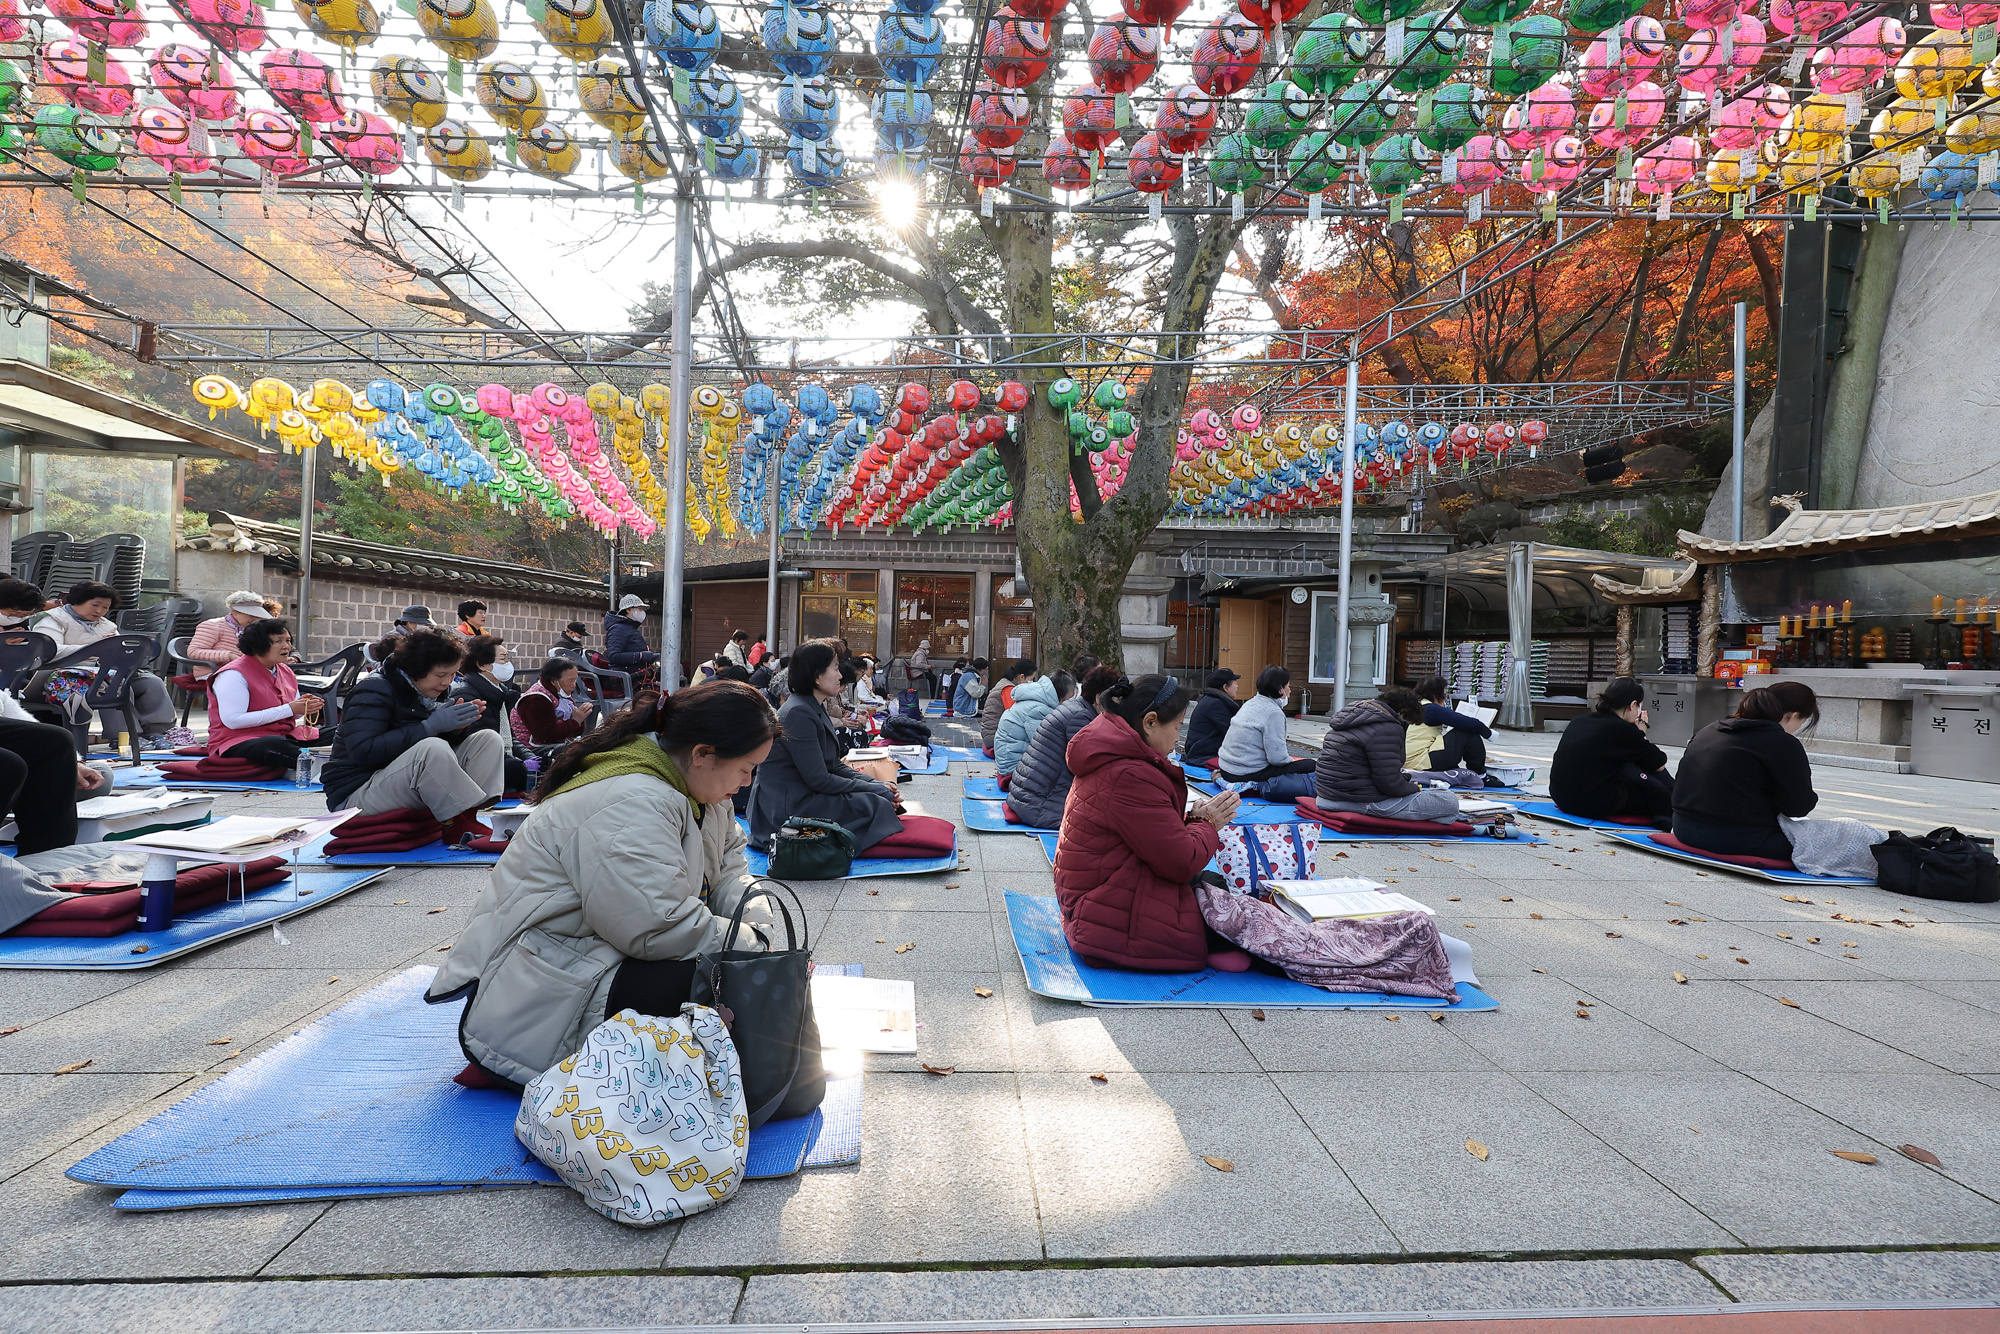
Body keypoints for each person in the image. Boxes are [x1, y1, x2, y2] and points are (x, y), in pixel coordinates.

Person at [426, 681, 781, 1089]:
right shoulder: (630, 800)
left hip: (596, 955)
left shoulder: (701, 790)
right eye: (746, 768)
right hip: (544, 989)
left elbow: (733, 871)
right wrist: (750, 948)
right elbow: (656, 927)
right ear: (702, 754)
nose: (748, 781)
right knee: (733, 991)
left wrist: (756, 935)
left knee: (751, 983)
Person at [1053, 674, 1243, 972]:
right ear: (1150, 722)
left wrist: (1193, 820)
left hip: (1092, 896)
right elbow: (1181, 861)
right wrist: (1207, 823)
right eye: (1177, 726)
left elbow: (1148, 833)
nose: (1178, 737)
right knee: (1231, 919)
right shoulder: (1131, 774)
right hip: (1102, 916)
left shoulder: (1112, 752)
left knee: (1214, 888)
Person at [320, 630, 505, 845]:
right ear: (418, 668)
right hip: (357, 793)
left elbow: (427, 746)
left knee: (486, 740)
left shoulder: (428, 692)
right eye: (440, 675)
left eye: (453, 674)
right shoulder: (373, 689)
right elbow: (364, 751)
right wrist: (429, 726)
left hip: (398, 781)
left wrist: (456, 728)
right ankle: (456, 823)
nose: (447, 682)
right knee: (431, 748)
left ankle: (466, 817)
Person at [746, 642, 903, 852]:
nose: (840, 676)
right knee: (875, 804)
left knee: (877, 800)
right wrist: (876, 790)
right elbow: (820, 779)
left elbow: (834, 766)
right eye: (836, 668)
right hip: (787, 807)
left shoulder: (812, 706)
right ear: (817, 676)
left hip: (805, 793)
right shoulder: (797, 713)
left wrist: (878, 784)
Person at [1671, 681, 1821, 860]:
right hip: (1740, 840)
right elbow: (1797, 807)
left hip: (1682, 829)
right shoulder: (1782, 743)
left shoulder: (1708, 730)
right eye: (1801, 722)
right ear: (1793, 716)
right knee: (1848, 835)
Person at [28, 580, 178, 748]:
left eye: (105, 607)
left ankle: (156, 731)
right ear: (78, 600)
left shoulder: (107, 625)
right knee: (114, 683)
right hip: (64, 676)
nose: (100, 611)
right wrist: (95, 648)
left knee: (151, 682)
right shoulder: (53, 620)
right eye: (95, 605)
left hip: (106, 671)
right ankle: (124, 736)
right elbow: (50, 651)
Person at [1311, 687, 1460, 822]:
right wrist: (1414, 788)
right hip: (1357, 801)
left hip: (1327, 796)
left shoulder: (1354, 718)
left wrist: (1404, 780)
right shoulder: (1387, 727)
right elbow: (1389, 784)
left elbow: (1372, 769)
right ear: (1402, 713)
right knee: (1449, 801)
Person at [1006, 665, 1120, 828]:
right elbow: (1087, 766)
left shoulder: (1075, 708)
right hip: (1038, 805)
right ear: (1099, 697)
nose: (1115, 706)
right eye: (1114, 699)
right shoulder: (1081, 717)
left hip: (1024, 795)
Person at [1549, 678, 1674, 826]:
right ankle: (1676, 801)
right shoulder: (1623, 730)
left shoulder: (1579, 721)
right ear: (1633, 705)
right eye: (1639, 706)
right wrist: (1641, 733)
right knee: (1645, 776)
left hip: (1562, 797)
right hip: (1592, 803)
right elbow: (1657, 762)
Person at [203, 618, 321, 773]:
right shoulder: (233, 674)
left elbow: (292, 715)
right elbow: (233, 720)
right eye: (278, 641)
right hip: (238, 739)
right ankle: (321, 770)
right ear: (258, 645)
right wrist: (290, 708)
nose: (286, 646)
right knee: (274, 745)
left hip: (282, 733)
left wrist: (304, 707)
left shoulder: (284, 670)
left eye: (288, 640)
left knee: (341, 732)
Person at [1218, 666, 1317, 795]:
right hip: (1243, 773)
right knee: (1311, 765)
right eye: (1288, 686)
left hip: (1226, 768)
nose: (1290, 690)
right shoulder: (1273, 713)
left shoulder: (1250, 703)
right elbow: (1277, 759)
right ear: (1279, 689)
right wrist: (1293, 764)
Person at [452, 634, 530, 793]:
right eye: (503, 659)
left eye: (508, 659)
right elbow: (478, 748)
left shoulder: (501, 693)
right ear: (481, 665)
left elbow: (509, 740)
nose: (508, 664)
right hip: (477, 769)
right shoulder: (467, 695)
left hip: (502, 759)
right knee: (516, 769)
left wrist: (530, 757)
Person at [1406, 676, 1495, 776]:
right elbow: (1471, 724)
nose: (1445, 699)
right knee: (1466, 732)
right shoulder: (1430, 709)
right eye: (1444, 695)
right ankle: (1480, 774)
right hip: (1422, 760)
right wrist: (1490, 734)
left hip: (1413, 760)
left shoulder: (1417, 706)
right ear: (1436, 696)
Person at [996, 670, 1069, 780]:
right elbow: (1044, 745)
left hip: (1008, 762)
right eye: (1070, 696)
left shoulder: (1035, 699)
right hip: (1013, 770)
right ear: (1061, 696)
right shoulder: (1039, 709)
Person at [186, 591, 276, 680]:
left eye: (257, 615)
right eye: (250, 614)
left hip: (243, 670)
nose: (254, 618)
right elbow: (194, 652)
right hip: (213, 673)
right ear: (234, 612)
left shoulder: (251, 629)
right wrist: (229, 656)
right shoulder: (213, 625)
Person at [514, 657, 597, 748]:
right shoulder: (536, 698)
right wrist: (576, 720)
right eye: (570, 681)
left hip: (557, 744)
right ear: (554, 681)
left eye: (575, 680)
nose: (574, 685)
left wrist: (579, 718)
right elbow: (546, 735)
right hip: (534, 749)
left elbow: (575, 732)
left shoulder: (561, 694)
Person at [1180, 669, 1241, 768]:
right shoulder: (1216, 704)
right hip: (1202, 752)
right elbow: (1232, 734)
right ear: (1225, 687)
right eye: (1235, 683)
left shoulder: (1213, 700)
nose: (1237, 686)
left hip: (1199, 748)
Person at [981, 658, 1038, 756]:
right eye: (1031, 679)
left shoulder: (1006, 684)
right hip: (994, 738)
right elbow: (1017, 716)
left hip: (992, 735)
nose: (1031, 683)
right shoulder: (1008, 689)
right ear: (1022, 677)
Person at [602, 594, 659, 670]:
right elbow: (614, 656)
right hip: (625, 675)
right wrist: (641, 655)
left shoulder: (630, 627)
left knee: (662, 666)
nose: (642, 612)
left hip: (637, 671)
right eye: (640, 609)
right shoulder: (618, 629)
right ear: (628, 610)